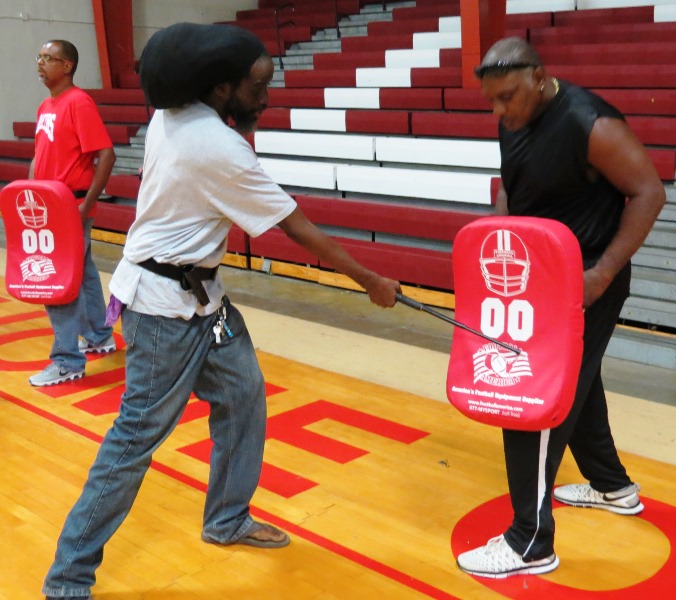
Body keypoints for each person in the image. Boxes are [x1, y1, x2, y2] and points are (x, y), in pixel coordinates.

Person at [42, 23, 400, 599]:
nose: (267, 94)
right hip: (164, 311)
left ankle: (226, 520)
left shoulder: (174, 116)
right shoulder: (216, 146)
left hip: (202, 299)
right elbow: (295, 226)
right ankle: (67, 580)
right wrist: (370, 281)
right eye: (257, 85)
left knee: (242, 395)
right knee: (134, 440)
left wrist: (247, 117)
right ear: (219, 88)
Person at [456, 37, 666, 578]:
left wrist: (600, 273)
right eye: (492, 101)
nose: (499, 111)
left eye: (506, 98)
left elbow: (649, 192)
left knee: (531, 397)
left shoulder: (590, 123)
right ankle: (613, 486)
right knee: (577, 380)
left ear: (539, 77)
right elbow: (514, 187)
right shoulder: (514, 117)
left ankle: (530, 540)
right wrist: (499, 230)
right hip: (535, 282)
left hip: (585, 281)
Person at [29, 39, 117, 387]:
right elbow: (40, 157)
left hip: (70, 205)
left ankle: (67, 360)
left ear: (67, 66)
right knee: (84, 272)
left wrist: (84, 205)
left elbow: (106, 155)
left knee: (57, 282)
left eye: (49, 58)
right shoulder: (45, 106)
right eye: (39, 56)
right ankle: (98, 335)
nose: (40, 62)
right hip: (49, 206)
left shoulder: (78, 102)